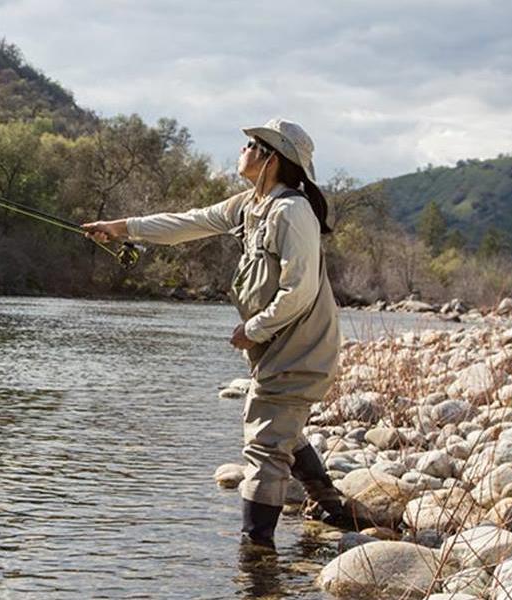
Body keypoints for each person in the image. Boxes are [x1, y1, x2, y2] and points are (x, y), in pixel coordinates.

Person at [82, 118, 358, 548]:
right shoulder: (250, 205)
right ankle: (334, 509)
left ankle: (256, 557)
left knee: (265, 445)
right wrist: (121, 228)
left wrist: (253, 328)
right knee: (280, 426)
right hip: (276, 348)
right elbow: (187, 223)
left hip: (301, 347)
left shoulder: (291, 211)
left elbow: (298, 290)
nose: (243, 149)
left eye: (252, 144)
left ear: (272, 158)